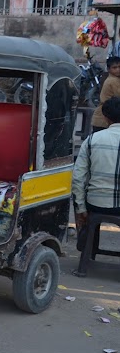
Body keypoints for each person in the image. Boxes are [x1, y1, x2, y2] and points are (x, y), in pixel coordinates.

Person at [72, 96, 120, 257]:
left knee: (80, 197)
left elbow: (78, 177)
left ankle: (87, 250)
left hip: (96, 203)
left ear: (105, 117)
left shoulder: (93, 140)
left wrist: (81, 208)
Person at [90, 56, 120, 134]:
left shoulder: (115, 79)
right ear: (109, 69)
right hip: (104, 119)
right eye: (114, 67)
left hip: (104, 117)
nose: (118, 70)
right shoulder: (113, 81)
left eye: (119, 67)